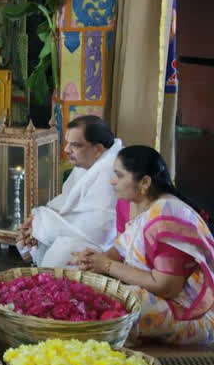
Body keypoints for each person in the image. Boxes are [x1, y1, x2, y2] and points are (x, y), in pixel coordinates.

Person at [72, 146, 214, 345]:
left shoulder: (167, 215)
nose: (112, 181)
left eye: (119, 175)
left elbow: (166, 287)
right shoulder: (149, 208)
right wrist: (93, 260)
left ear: (145, 182)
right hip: (161, 299)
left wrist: (106, 266)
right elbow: (119, 252)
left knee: (115, 302)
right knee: (85, 285)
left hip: (190, 313)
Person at [17, 115, 123, 267]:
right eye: (67, 143)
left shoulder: (110, 171)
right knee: (34, 227)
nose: (66, 150)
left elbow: (99, 232)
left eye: (75, 145)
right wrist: (35, 221)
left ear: (98, 149)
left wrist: (40, 226)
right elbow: (66, 200)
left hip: (101, 246)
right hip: (77, 232)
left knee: (62, 252)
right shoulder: (90, 162)